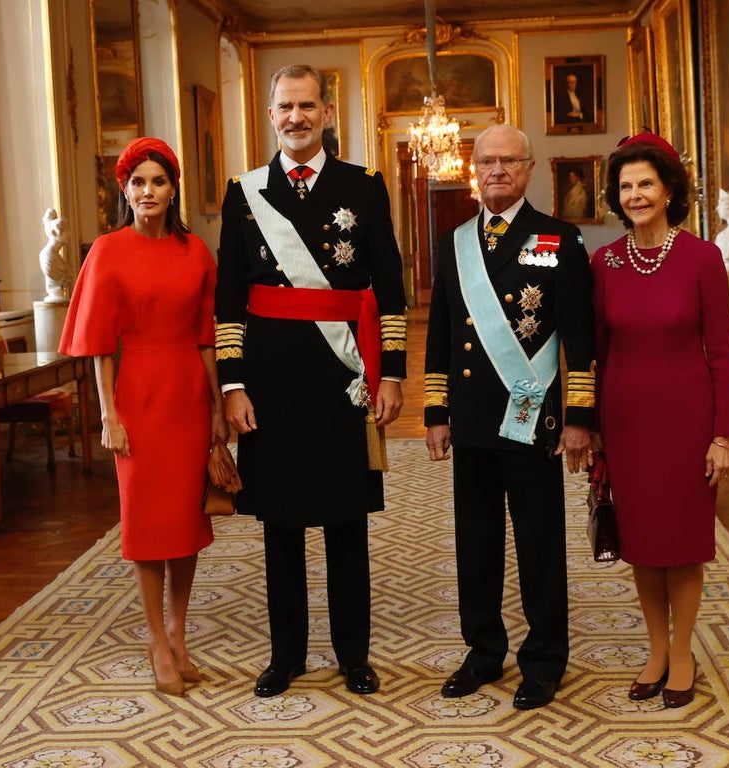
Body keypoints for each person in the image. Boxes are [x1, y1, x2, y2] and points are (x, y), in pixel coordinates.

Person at [216, 64, 407, 698]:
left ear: (327, 112)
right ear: (270, 116)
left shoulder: (365, 186)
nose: (294, 117)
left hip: (343, 374)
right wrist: (233, 386)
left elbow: (391, 289)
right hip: (270, 380)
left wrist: (391, 375)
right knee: (281, 522)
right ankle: (287, 654)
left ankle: (355, 654)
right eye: (283, 107)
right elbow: (228, 301)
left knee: (347, 520)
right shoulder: (244, 193)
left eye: (306, 105)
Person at [424, 124, 595, 711]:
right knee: (475, 542)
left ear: (530, 169)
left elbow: (579, 337)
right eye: (487, 161)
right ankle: (483, 651)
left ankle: (544, 659)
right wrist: (434, 411)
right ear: (474, 169)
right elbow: (442, 334)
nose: (497, 170)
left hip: (532, 417)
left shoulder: (556, 239)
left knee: (539, 543)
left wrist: (579, 416)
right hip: (471, 420)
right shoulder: (453, 242)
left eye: (509, 161)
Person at [59, 137, 233, 697]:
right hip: (135, 396)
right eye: (139, 182)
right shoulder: (107, 251)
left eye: (159, 181)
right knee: (146, 525)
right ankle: (155, 638)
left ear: (173, 189)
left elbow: (208, 340)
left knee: (185, 522)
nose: (148, 191)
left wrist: (218, 413)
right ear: (125, 190)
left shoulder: (196, 252)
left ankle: (180, 633)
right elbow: (99, 346)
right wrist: (109, 414)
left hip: (187, 394)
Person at [591, 132, 729, 709]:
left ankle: (683, 653)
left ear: (670, 188)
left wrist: (722, 434)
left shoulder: (703, 258)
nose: (635, 195)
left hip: (687, 417)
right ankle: (656, 649)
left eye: (645, 183)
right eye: (625, 186)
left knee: (682, 542)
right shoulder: (602, 263)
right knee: (643, 543)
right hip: (626, 418)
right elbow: (595, 355)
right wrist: (595, 431)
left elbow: (723, 354)